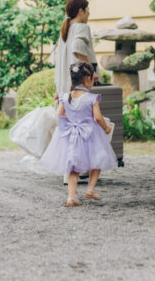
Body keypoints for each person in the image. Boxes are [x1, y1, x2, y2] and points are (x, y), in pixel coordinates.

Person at [41, 62, 116, 206]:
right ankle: (90, 189)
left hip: (71, 135)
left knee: (73, 167)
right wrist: (106, 128)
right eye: (93, 77)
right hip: (90, 135)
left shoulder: (65, 96)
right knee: (97, 159)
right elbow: (98, 118)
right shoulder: (91, 98)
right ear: (87, 79)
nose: (94, 80)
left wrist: (70, 124)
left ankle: (71, 197)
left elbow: (60, 114)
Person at [53, 0, 99, 100]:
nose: (89, 13)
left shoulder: (65, 31)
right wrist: (91, 71)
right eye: (88, 10)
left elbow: (60, 62)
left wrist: (57, 89)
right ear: (81, 11)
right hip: (79, 85)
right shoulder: (82, 27)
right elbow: (77, 47)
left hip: (64, 88)